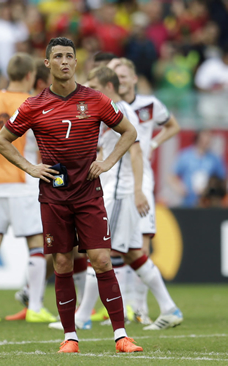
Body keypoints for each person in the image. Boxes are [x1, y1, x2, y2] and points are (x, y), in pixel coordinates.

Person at [0, 37, 141, 353]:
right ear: (46, 64)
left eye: (69, 56)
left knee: (101, 259)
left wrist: (107, 162)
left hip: (88, 192)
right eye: (57, 56)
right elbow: (1, 140)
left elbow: (129, 132)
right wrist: (30, 168)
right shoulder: (33, 105)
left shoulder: (97, 99)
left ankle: (121, 335)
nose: (64, 61)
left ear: (76, 62)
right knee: (61, 263)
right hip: (54, 196)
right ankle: (70, 337)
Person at [74, 66, 183, 333]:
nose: (90, 91)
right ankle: (169, 309)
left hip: (122, 192)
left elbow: (135, 154)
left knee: (100, 251)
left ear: (108, 87)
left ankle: (82, 317)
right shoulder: (112, 109)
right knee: (135, 254)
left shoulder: (120, 111)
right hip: (116, 189)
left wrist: (136, 190)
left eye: (94, 86)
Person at [0, 53, 54, 324]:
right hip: (24, 181)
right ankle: (34, 306)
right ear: (29, 76)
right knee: (35, 244)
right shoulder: (33, 103)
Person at [112, 57, 181, 325]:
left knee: (140, 243)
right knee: (121, 246)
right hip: (117, 180)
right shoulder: (112, 106)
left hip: (142, 180)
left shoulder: (150, 105)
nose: (121, 79)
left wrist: (154, 142)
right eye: (116, 75)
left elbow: (173, 126)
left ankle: (139, 307)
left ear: (134, 78)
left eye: (125, 74)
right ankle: (128, 307)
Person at [170, 130, 226, 207]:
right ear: (198, 137)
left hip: (207, 203)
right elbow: (172, 176)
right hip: (188, 202)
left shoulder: (215, 159)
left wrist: (212, 189)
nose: (208, 139)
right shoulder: (185, 156)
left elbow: (222, 178)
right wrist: (180, 189)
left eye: (210, 136)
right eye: (206, 136)